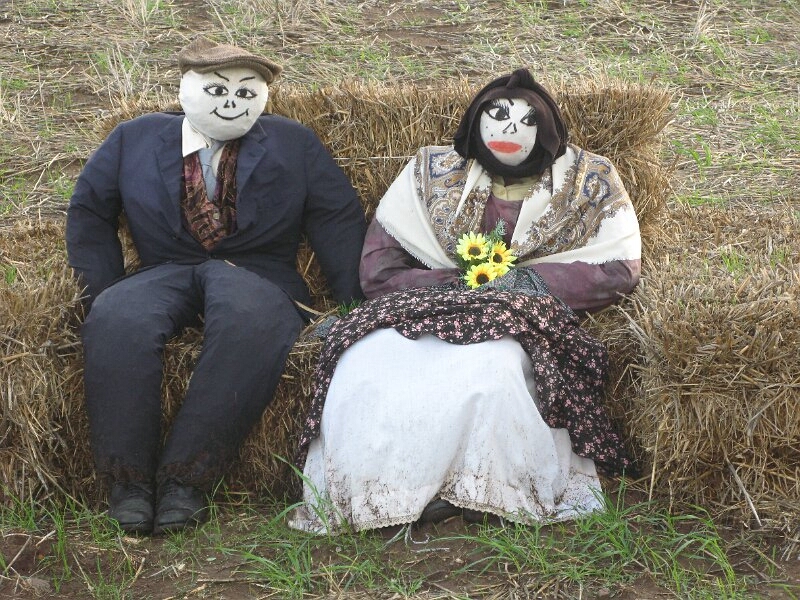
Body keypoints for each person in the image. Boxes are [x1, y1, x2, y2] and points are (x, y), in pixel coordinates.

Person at [289, 69, 641, 533]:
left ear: (548, 130)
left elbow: (618, 269)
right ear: (475, 123)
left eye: (526, 121)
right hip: (420, 310)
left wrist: (516, 284)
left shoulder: (588, 179)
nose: (510, 130)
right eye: (497, 117)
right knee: (363, 366)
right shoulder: (429, 172)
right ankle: (383, 493)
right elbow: (379, 269)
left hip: (518, 317)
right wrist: (452, 286)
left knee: (490, 374)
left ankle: (484, 490)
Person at [66, 37, 366, 535]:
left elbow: (336, 216)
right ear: (186, 89)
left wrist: (356, 302)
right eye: (217, 89)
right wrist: (101, 290)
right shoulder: (132, 138)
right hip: (165, 266)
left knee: (250, 323)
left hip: (257, 272)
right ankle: (128, 484)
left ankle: (187, 480)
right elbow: (89, 211)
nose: (231, 102)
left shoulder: (294, 142)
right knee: (119, 319)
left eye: (246, 92)